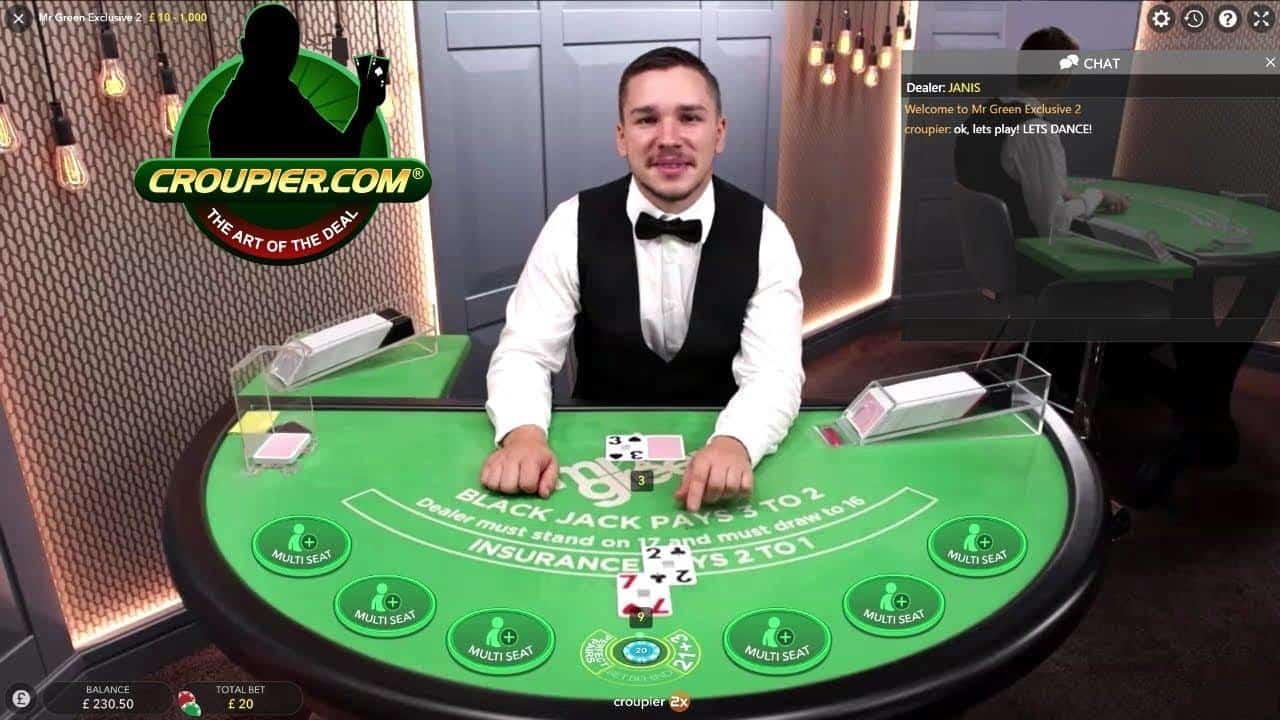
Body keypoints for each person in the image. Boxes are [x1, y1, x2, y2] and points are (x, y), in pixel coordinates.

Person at [480, 47, 805, 512]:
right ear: (621, 136)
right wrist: (523, 435)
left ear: (719, 132)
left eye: (689, 118)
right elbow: (525, 352)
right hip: (594, 461)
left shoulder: (766, 234)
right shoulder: (570, 224)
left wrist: (736, 442)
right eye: (647, 119)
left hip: (718, 444)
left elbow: (774, 373)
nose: (668, 138)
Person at [209, 3, 383, 157]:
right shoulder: (285, 104)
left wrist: (363, 113)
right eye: (275, 50)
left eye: (289, 51)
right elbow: (343, 155)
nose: (286, 62)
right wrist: (362, 114)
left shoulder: (224, 113)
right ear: (246, 48)